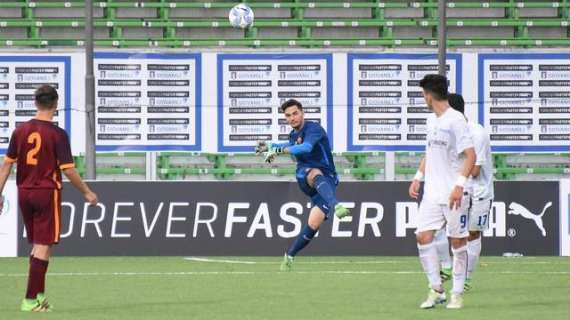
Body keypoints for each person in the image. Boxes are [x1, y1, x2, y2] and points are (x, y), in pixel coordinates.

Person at [0, 85, 98, 312]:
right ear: (55, 104)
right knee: (43, 245)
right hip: (46, 192)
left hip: (24, 191)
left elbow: (6, 166)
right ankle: (29, 300)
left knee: (40, 246)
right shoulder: (58, 134)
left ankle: (39, 297)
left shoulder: (20, 131)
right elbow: (69, 170)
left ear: (35, 103)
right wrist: (86, 192)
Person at [255, 99, 350, 271]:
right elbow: (290, 147)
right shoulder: (293, 136)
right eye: (288, 116)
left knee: (314, 224)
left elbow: (305, 147)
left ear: (302, 113)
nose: (292, 118)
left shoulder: (314, 129)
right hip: (305, 176)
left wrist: (274, 149)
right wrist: (270, 147)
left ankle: (289, 256)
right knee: (314, 173)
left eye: (295, 113)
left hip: (328, 181)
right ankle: (336, 205)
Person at [408, 75, 475, 309]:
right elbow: (430, 152)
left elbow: (471, 156)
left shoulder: (456, 120)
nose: (423, 99)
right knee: (423, 236)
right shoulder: (431, 121)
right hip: (432, 193)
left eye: (423, 95)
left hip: (454, 193)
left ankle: (457, 292)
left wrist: (459, 185)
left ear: (428, 95)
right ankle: (436, 289)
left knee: (457, 241)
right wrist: (418, 177)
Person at [447, 93, 494, 291]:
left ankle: (466, 278)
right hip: (461, 190)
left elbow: (474, 170)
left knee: (473, 233)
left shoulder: (477, 133)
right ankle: (456, 272)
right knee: (457, 234)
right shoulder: (452, 133)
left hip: (480, 192)